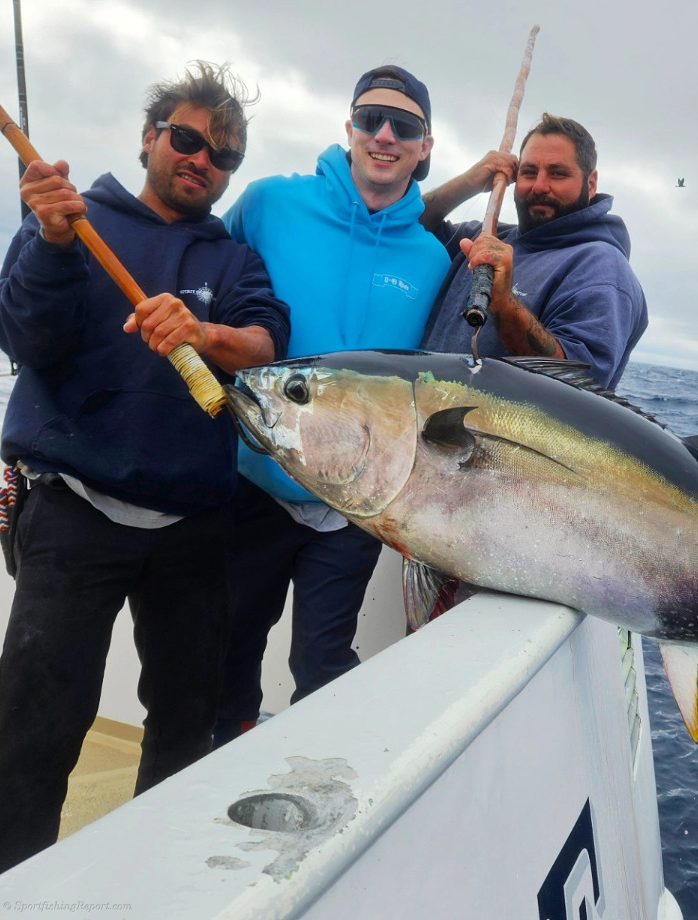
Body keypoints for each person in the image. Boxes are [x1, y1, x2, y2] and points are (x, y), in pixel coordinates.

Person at [0, 61, 291, 875]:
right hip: (72, 513)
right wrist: (54, 244)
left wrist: (203, 333)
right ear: (150, 139)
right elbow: (23, 338)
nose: (202, 160)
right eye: (187, 138)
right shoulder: (72, 219)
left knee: (185, 725)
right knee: (35, 725)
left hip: (193, 529)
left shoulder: (229, 261)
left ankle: (156, 883)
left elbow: (266, 341)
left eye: (222, 155)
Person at [215, 66, 514, 745]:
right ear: (347, 129)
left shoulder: (430, 258)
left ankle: (322, 786)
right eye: (369, 119)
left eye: (403, 127)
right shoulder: (268, 205)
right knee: (229, 645)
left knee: (322, 660)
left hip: (353, 505)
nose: (384, 135)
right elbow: (210, 278)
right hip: (254, 482)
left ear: (423, 146)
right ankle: (216, 773)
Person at [422, 113, 648, 389]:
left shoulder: (602, 266)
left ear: (590, 184)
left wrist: (504, 304)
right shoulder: (482, 237)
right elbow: (406, 225)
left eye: (557, 173)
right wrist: (470, 182)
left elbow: (579, 387)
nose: (540, 186)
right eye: (529, 172)